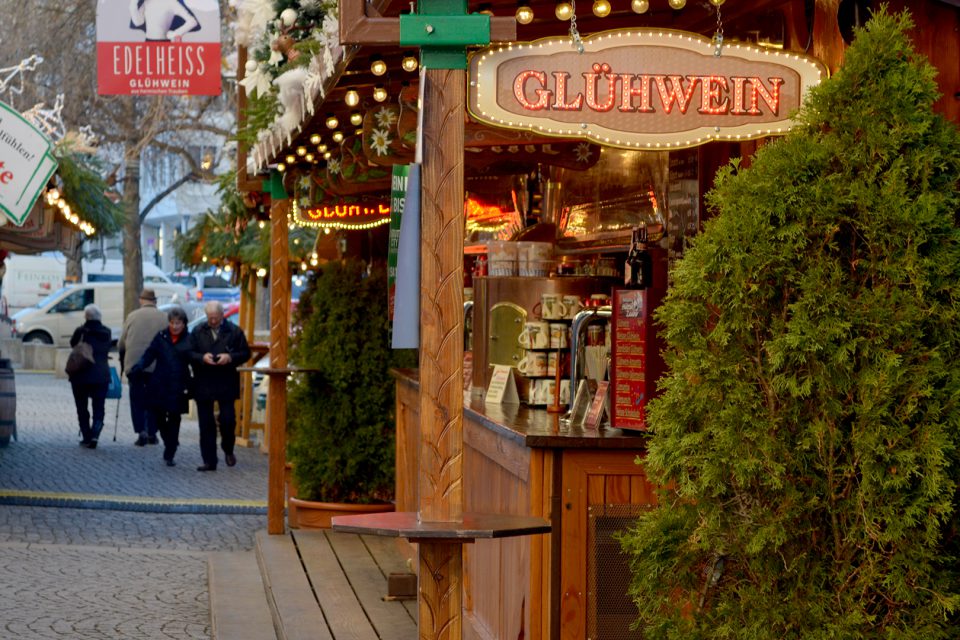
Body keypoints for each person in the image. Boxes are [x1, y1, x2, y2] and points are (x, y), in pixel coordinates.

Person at [127, 307, 194, 467]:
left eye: (178, 323)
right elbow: (149, 354)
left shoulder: (190, 340)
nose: (175, 326)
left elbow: (195, 360)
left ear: (184, 324)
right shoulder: (161, 336)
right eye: (172, 322)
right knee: (157, 414)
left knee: (174, 417)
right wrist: (139, 366)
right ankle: (168, 439)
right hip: (160, 382)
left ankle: (170, 451)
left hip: (179, 384)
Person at [190, 301, 250, 471]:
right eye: (210, 318)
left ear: (222, 315)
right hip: (204, 380)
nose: (213, 321)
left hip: (226, 381)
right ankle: (209, 460)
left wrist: (230, 357)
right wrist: (202, 358)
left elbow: (245, 353)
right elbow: (188, 352)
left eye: (216, 318)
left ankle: (228, 448)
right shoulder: (197, 331)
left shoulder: (234, 331)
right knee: (206, 424)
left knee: (228, 420)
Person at [118, 288, 168, 446]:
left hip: (134, 364)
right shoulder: (164, 317)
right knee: (154, 400)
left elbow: (121, 343)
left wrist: (123, 360)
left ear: (141, 300)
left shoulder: (132, 316)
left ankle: (142, 431)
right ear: (155, 301)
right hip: (156, 366)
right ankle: (153, 432)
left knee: (137, 399)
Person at [68, 304, 113, 449]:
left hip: (81, 375)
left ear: (86, 317)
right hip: (101, 375)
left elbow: (73, 344)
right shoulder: (107, 332)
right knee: (99, 406)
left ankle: (86, 436)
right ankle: (95, 434)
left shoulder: (80, 331)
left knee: (82, 406)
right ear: (100, 317)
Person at [129, 0, 200, 42]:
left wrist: (176, 33)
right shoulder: (147, 1)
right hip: (148, 43)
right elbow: (138, 23)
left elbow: (192, 22)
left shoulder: (172, 2)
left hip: (164, 44)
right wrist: (133, 6)